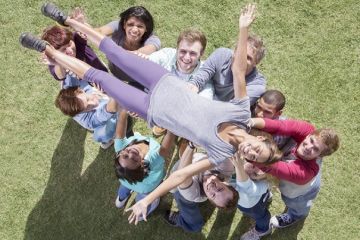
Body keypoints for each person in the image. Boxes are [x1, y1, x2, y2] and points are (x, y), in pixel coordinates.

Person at [20, 3, 282, 223]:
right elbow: (238, 71)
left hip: (150, 109)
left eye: (254, 157)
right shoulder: (240, 113)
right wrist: (244, 28)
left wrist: (147, 199)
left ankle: (48, 51)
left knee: (100, 78)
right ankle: (66, 20)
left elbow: (180, 175)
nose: (250, 153)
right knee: (115, 52)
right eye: (258, 150)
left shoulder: (222, 154)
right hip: (164, 81)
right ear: (260, 139)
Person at [249, 117, 339, 228]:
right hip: (290, 174)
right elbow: (280, 125)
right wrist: (250, 122)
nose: (308, 147)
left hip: (301, 191)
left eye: (315, 149)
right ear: (309, 135)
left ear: (320, 156)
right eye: (311, 140)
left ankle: (295, 215)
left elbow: (272, 166)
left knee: (293, 202)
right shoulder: (308, 129)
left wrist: (246, 151)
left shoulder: (304, 173)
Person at [148, 29, 213, 136]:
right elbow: (145, 64)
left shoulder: (205, 73)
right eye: (183, 51)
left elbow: (205, 104)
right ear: (177, 48)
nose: (186, 57)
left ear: (201, 53)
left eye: (192, 53)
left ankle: (181, 135)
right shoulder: (166, 54)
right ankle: (164, 122)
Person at [113, 109, 175, 218]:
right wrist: (173, 125)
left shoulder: (120, 147)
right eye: (135, 160)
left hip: (126, 180)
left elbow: (121, 122)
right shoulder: (152, 159)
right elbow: (166, 147)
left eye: (126, 155)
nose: (132, 153)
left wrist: (125, 110)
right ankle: (141, 216)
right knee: (146, 199)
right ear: (142, 165)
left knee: (125, 186)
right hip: (148, 187)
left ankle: (120, 200)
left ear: (120, 153)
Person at [164, 144, 236, 232]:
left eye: (213, 195)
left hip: (179, 180)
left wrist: (191, 145)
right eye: (220, 189)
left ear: (209, 199)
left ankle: (186, 223)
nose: (212, 188)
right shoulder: (226, 169)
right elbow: (220, 144)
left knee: (193, 221)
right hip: (196, 158)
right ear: (226, 183)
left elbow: (182, 174)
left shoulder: (193, 194)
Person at [188, 26, 266, 106]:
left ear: (256, 62)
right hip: (204, 96)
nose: (241, 59)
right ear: (234, 51)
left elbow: (236, 108)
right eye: (240, 53)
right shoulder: (221, 55)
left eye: (248, 58)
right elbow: (198, 80)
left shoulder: (256, 85)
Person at [96, 6, 161, 90]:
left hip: (138, 81)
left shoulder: (153, 40)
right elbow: (99, 31)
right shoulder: (117, 26)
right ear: (124, 25)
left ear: (146, 29)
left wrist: (115, 51)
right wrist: (81, 26)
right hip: (114, 73)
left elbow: (143, 52)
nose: (134, 30)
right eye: (130, 24)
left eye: (140, 26)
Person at [231, 150, 274, 240]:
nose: (249, 172)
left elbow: (247, 187)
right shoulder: (241, 162)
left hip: (251, 206)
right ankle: (267, 196)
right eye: (253, 165)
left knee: (261, 216)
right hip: (252, 199)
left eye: (255, 174)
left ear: (262, 179)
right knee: (265, 196)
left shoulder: (263, 184)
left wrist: (238, 167)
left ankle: (263, 229)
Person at [252, 90, 296, 156]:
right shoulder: (249, 111)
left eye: (267, 112)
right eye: (259, 107)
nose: (259, 114)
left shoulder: (283, 132)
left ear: (278, 114)